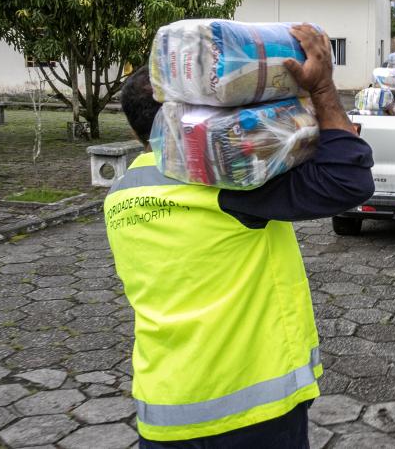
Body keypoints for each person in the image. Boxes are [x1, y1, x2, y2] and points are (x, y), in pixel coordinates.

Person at [106, 25, 375, 447]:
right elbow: (349, 178)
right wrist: (322, 88)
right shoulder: (224, 180)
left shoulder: (121, 191)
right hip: (248, 413)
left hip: (163, 408)